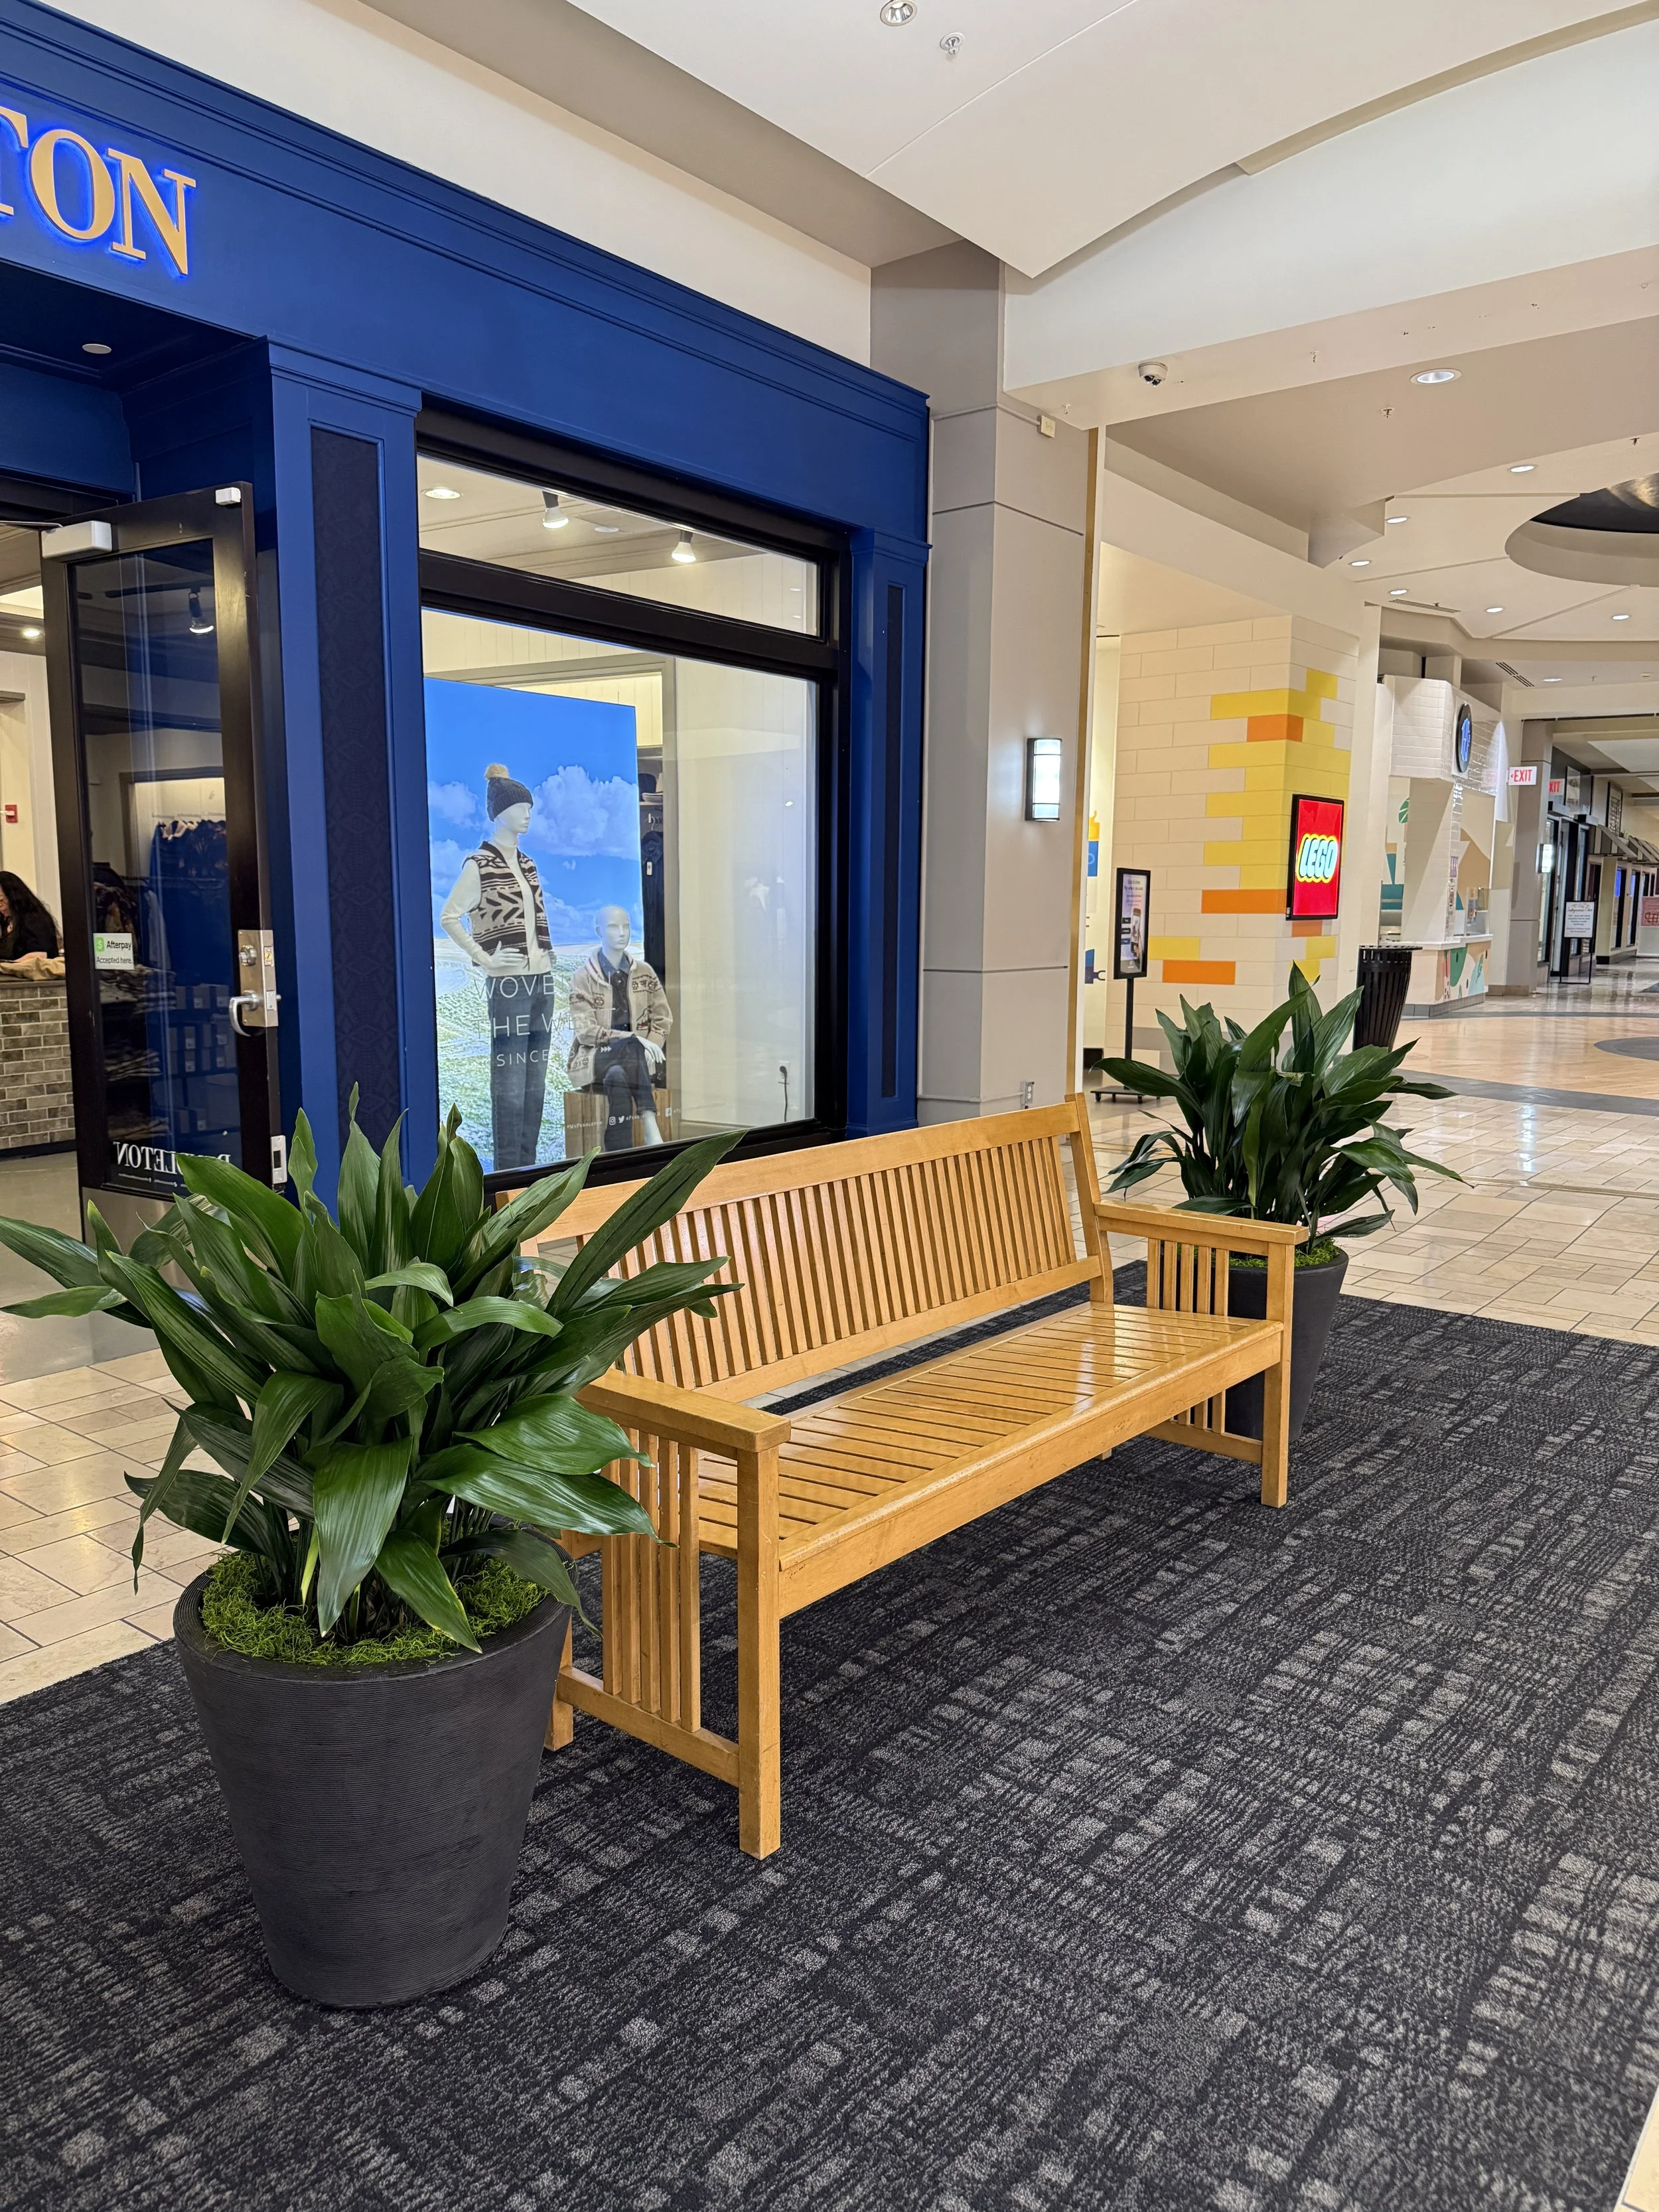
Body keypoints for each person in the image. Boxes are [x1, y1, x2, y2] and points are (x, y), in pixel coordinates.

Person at [437, 765, 555, 1171]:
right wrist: (485, 958)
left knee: (535, 1079)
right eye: (520, 806)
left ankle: (532, 1169)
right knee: (509, 1082)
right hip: (508, 984)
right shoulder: (479, 865)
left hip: (540, 978)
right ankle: (509, 1174)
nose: (527, 814)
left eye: (529, 807)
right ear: (500, 812)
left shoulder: (529, 864)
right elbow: (450, 916)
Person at [567, 905, 672, 1151]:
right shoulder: (582, 977)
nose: (622, 933)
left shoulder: (645, 973)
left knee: (619, 1077)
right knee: (630, 1045)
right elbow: (585, 1031)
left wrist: (649, 1047)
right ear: (599, 931)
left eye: (626, 926)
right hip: (596, 1058)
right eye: (614, 927)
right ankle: (650, 1122)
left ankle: (617, 1155)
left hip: (633, 1064)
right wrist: (635, 1040)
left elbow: (663, 1018)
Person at [0, 872, 60, 962]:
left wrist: (8, 967)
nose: (1, 906)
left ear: (14, 897)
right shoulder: (7, 920)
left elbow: (41, 956)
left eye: (1, 900)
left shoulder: (35, 921)